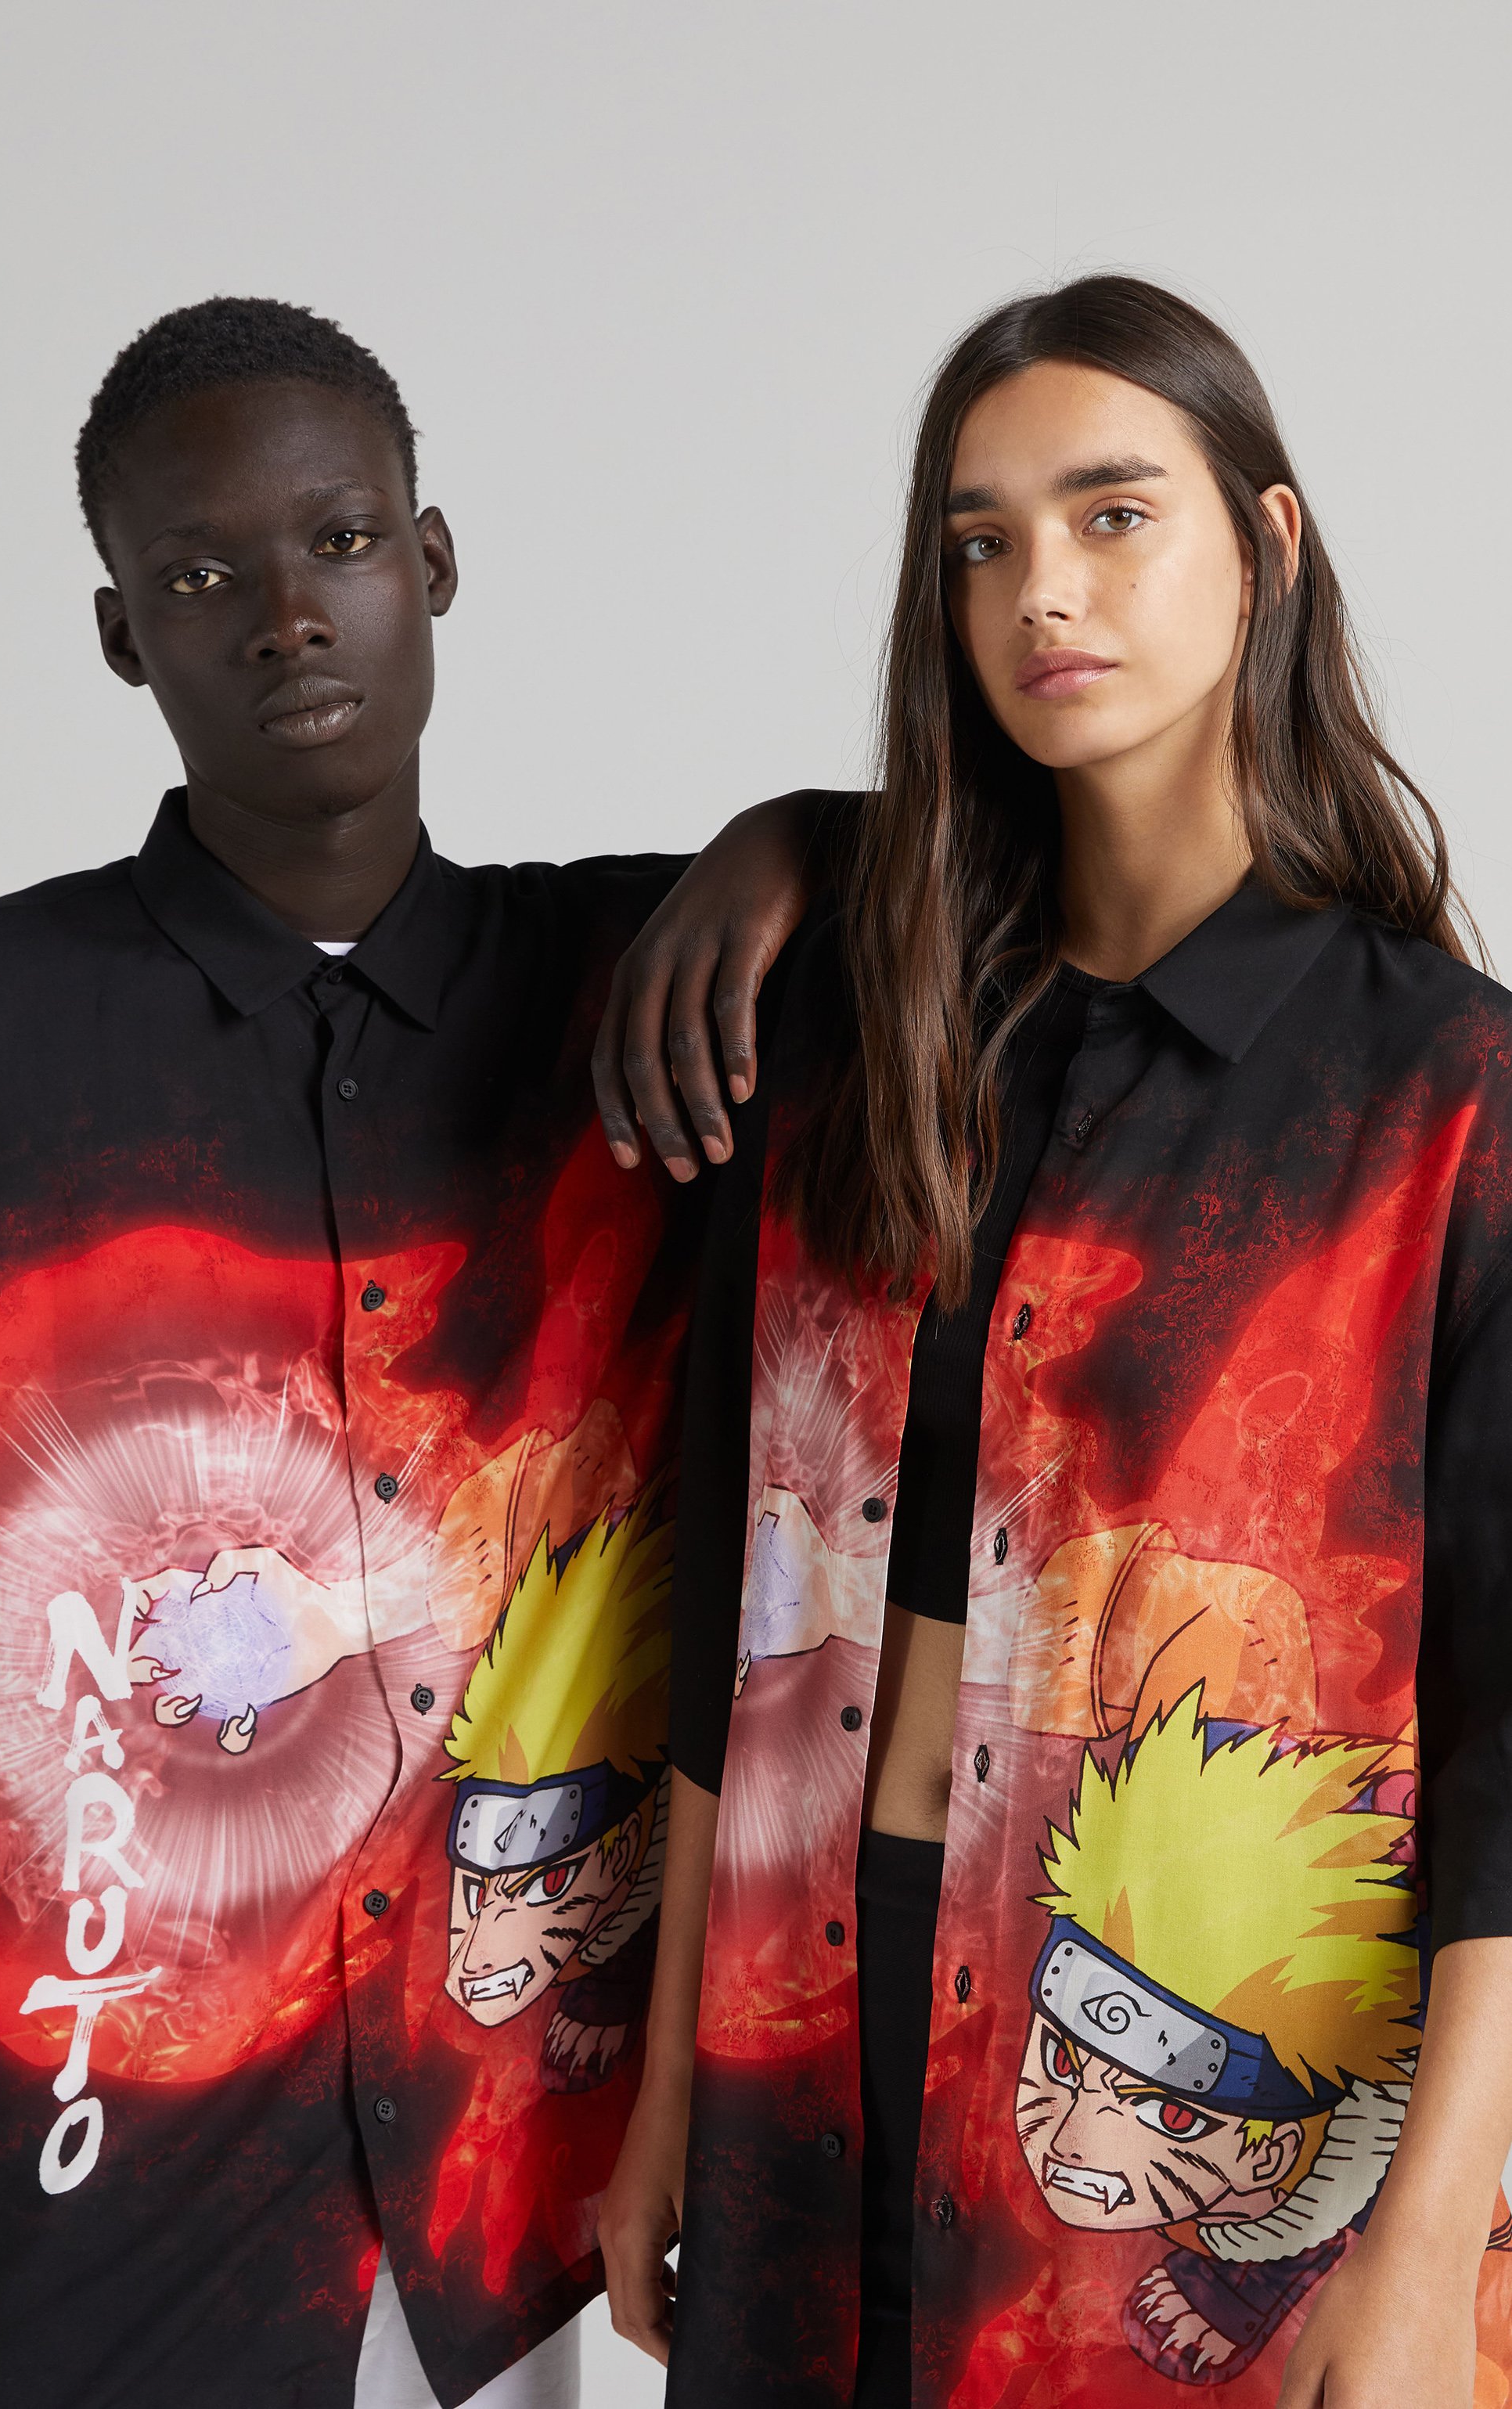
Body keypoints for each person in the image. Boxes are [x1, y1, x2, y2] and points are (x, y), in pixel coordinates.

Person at [0, 296, 815, 2409]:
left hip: (499, 2224)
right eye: (202, 576)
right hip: (70, 2242)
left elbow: (1035, 888)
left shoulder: (646, 990)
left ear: (431, 562)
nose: (287, 613)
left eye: (342, 541)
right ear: (123, 636)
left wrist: (801, 838)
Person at [596, 273, 1512, 2407]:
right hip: (801, 2053)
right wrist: (667, 2089)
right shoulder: (847, 1038)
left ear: (1265, 546)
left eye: (1112, 516)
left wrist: (1423, 2248)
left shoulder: (1442, 1101)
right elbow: (727, 1593)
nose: (1042, 594)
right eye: (980, 541)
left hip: (1174, 2140)